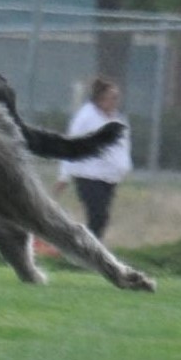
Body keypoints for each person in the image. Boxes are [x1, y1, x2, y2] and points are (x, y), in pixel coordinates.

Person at [54, 78, 132, 241]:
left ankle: (90, 249)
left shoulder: (117, 118)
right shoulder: (86, 118)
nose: (116, 101)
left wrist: (124, 166)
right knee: (98, 215)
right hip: (88, 174)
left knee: (101, 218)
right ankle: (90, 252)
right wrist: (64, 176)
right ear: (100, 99)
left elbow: (123, 146)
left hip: (109, 176)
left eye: (117, 98)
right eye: (112, 98)